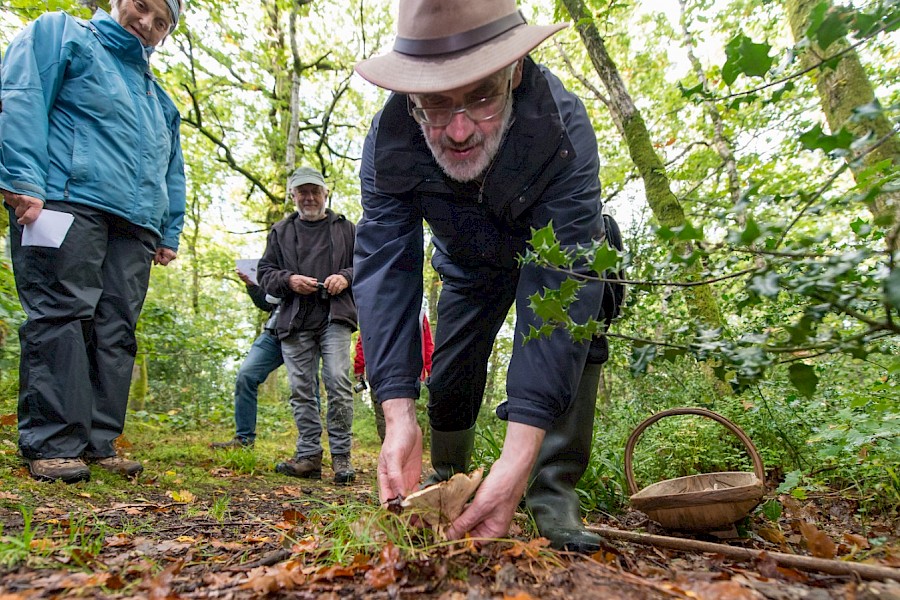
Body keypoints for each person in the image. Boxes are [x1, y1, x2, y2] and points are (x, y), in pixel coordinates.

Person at [353, 0, 611, 552]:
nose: (460, 130)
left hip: (547, 256)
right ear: (409, 98)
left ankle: (549, 488)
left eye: (482, 96)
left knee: (582, 319)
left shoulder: (562, 127)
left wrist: (518, 449)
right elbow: (385, 271)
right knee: (450, 373)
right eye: (436, 105)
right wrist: (396, 410)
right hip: (467, 266)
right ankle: (449, 481)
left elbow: (561, 286)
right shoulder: (390, 142)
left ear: (514, 73)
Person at [1, 0, 185, 483]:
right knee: (62, 313)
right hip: (66, 201)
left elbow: (173, 169)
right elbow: (22, 94)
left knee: (116, 330)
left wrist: (168, 229)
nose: (147, 23)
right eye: (142, 7)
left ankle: (100, 441)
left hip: (137, 223)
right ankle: (54, 442)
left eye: (161, 22)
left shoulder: (161, 100)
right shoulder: (62, 34)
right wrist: (21, 177)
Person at [257, 166, 358, 485]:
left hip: (335, 316)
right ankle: (308, 456)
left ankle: (341, 457)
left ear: (326, 194)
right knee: (301, 389)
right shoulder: (280, 231)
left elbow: (366, 264)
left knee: (339, 381)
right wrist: (288, 280)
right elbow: (264, 273)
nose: (309, 197)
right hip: (294, 319)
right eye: (303, 192)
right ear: (293, 196)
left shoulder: (346, 228)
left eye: (315, 191)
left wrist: (345, 277)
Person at [210, 269, 284, 449]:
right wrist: (251, 285)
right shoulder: (277, 259)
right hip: (274, 332)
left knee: (306, 387)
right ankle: (244, 439)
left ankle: (309, 449)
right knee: (246, 375)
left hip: (305, 333)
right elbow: (266, 303)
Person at [354, 308, 434, 442]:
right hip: (386, 373)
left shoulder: (417, 312)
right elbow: (363, 341)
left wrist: (431, 370)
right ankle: (390, 448)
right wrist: (359, 367)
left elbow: (427, 343)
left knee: (399, 415)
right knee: (387, 415)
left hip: (403, 372)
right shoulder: (373, 310)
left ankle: (399, 450)